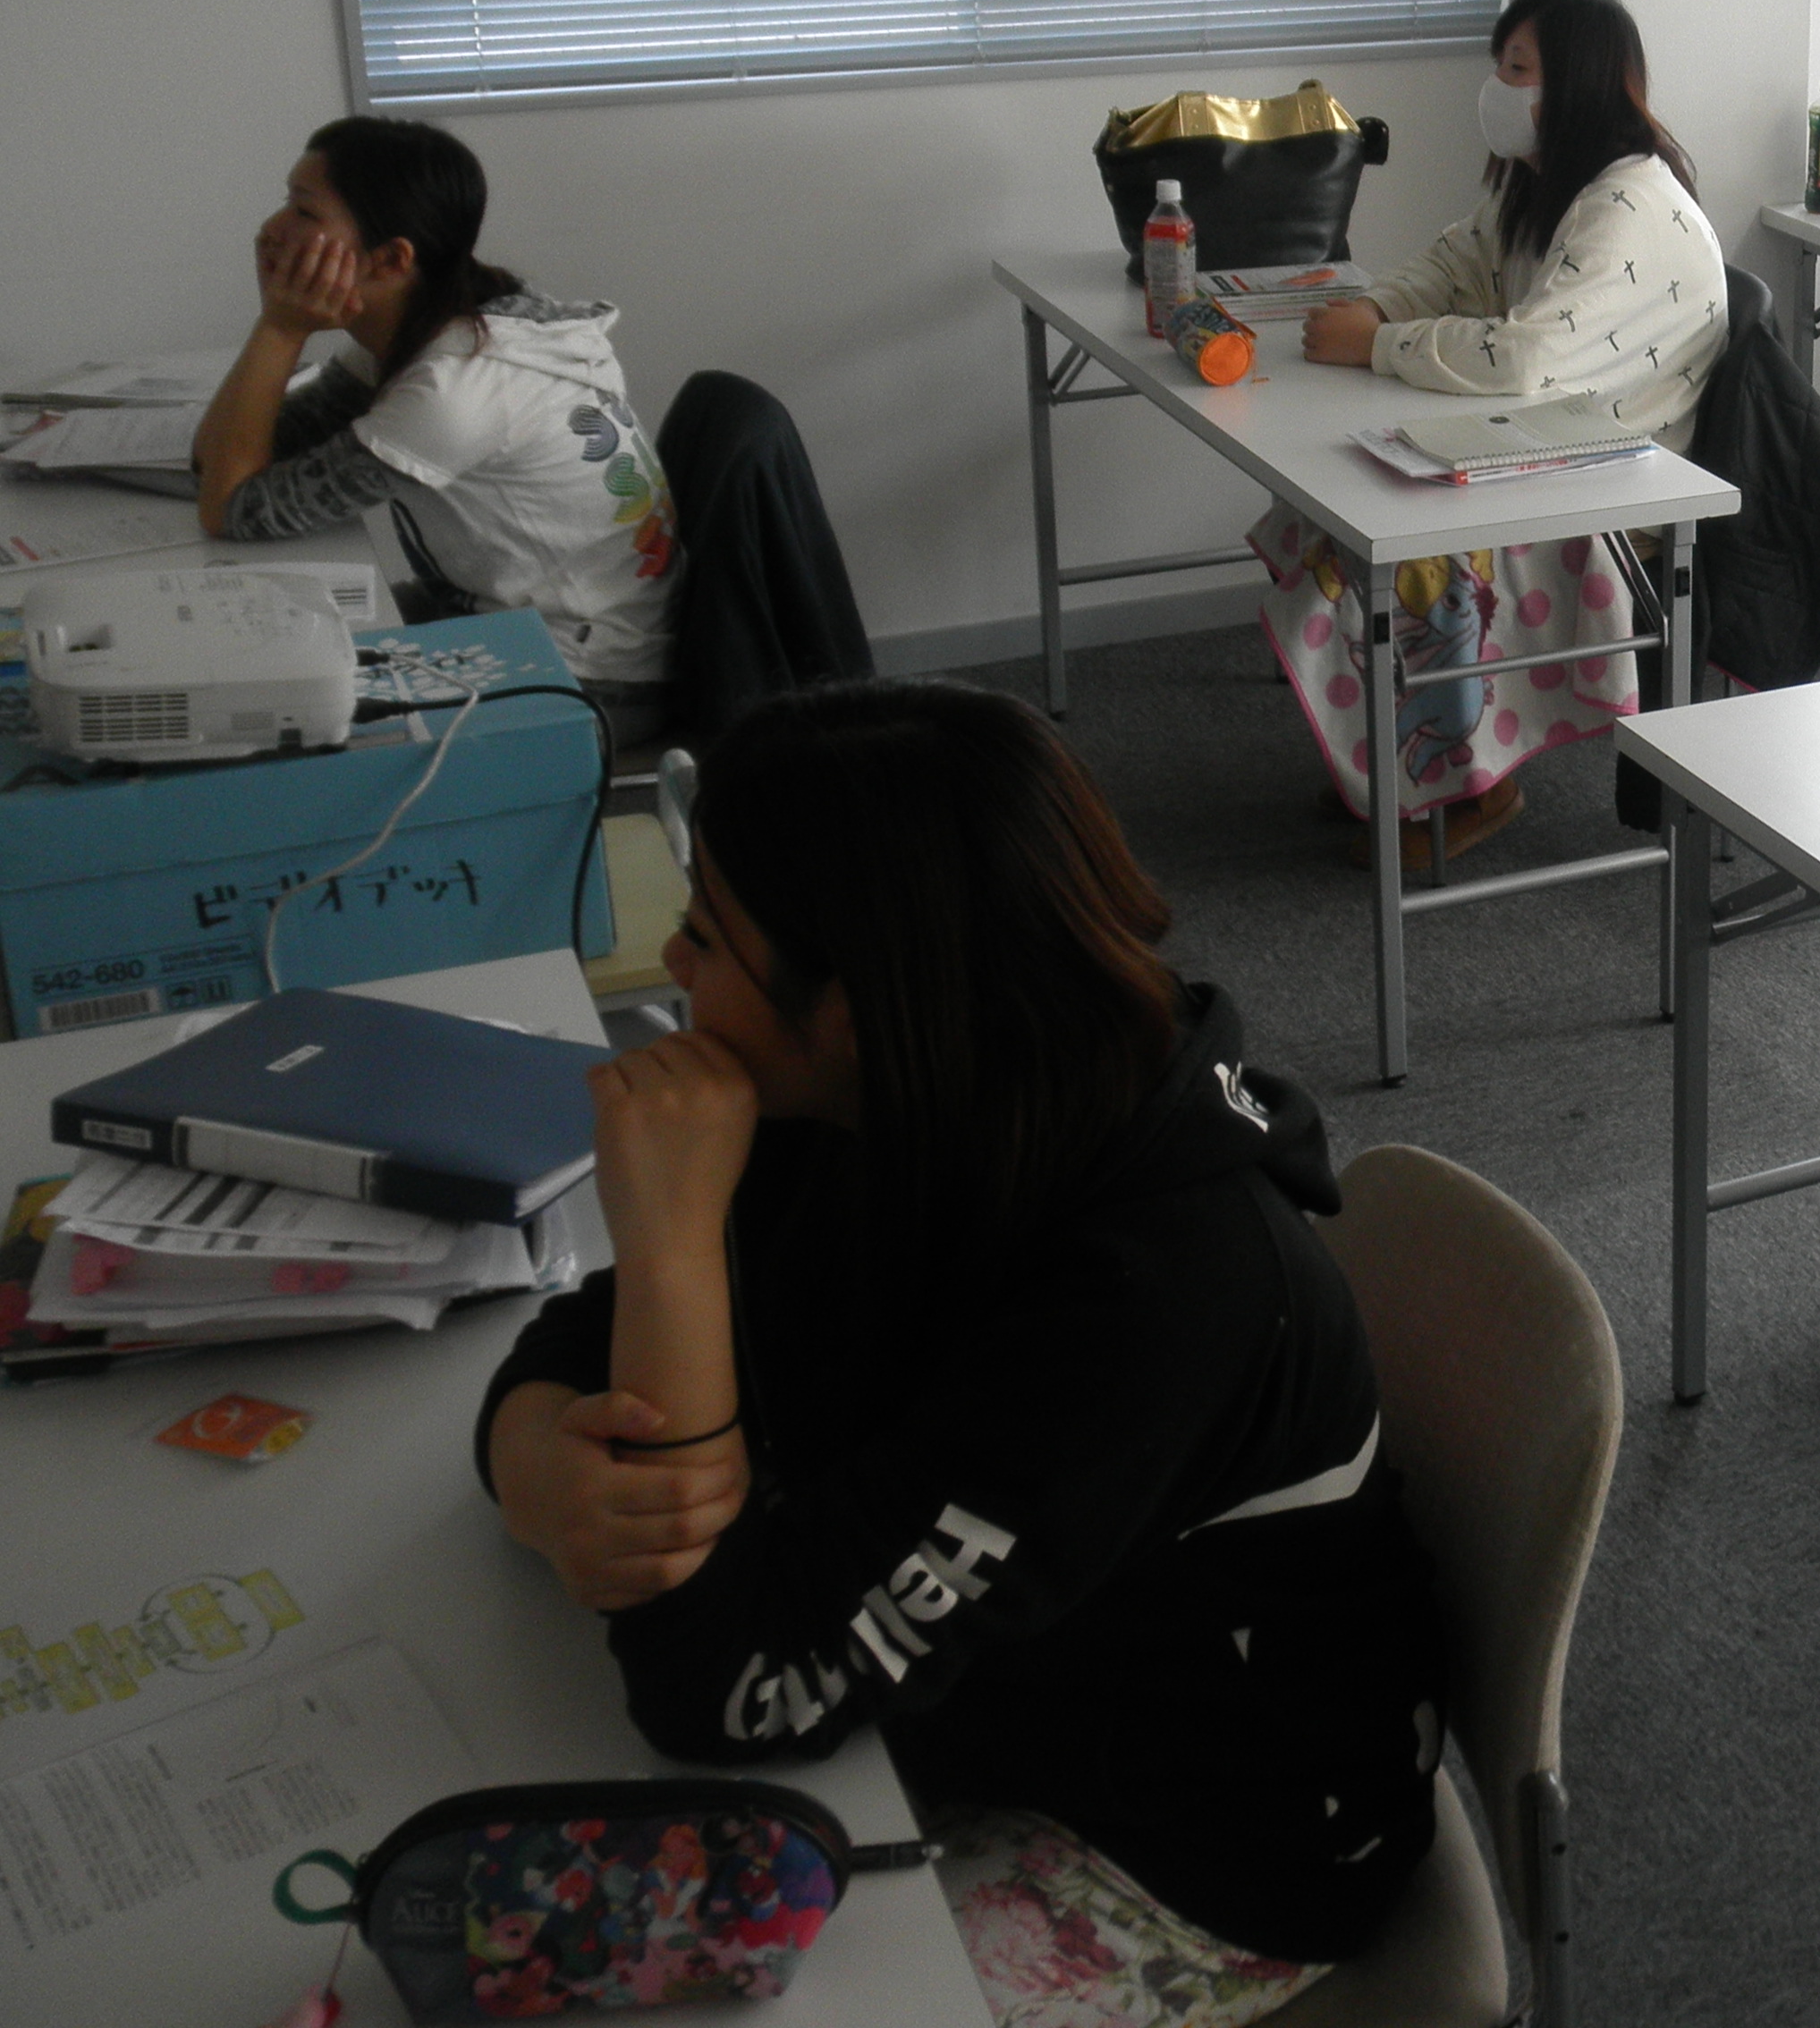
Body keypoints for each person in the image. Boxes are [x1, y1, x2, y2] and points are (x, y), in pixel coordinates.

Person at [477, 681, 1446, 2018]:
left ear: (858, 1002)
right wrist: (535, 1458)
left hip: (1193, 1849)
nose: (673, 967)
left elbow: (732, 1694)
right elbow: (580, 1342)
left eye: (706, 935)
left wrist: (674, 1247)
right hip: (996, 1700)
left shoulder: (1155, 1301)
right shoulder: (900, 1089)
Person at [1256, 0, 1725, 868]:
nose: (1497, 89)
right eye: (1500, 66)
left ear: (1575, 84)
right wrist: (1371, 313)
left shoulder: (1629, 206)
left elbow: (1522, 360)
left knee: (1405, 560)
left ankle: (1473, 784)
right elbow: (1453, 265)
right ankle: (1394, 763)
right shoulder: (1546, 183)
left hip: (1610, 492)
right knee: (1325, 520)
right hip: (1544, 445)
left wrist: (1378, 344)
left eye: (1517, 69)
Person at [197, 114, 680, 749]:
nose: (271, 230)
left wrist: (281, 329)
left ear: (392, 259)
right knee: (269, 653)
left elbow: (233, 509)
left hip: (587, 679)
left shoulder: (454, 389)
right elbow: (219, 461)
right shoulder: (428, 325)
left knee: (275, 720)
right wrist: (279, 329)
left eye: (304, 213)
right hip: (500, 620)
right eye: (286, 202)